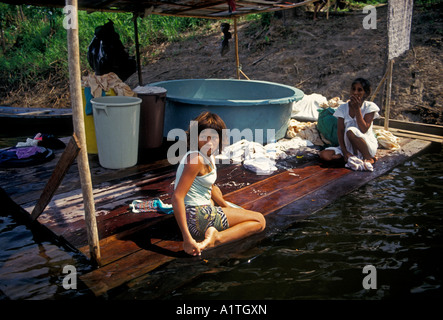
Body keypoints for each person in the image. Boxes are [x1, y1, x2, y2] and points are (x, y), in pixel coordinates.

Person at [172, 111, 266, 256]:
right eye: (204, 137)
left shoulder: (207, 155)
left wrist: (225, 205)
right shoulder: (196, 159)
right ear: (195, 137)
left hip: (197, 212)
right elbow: (177, 196)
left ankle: (212, 228)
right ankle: (217, 238)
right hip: (196, 217)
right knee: (260, 221)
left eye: (214, 137)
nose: (209, 142)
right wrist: (187, 238)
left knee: (221, 202)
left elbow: (210, 186)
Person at [319, 78, 380, 166]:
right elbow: (340, 132)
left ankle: (368, 157)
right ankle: (350, 157)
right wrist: (345, 151)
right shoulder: (343, 108)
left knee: (351, 131)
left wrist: (357, 109)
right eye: (353, 89)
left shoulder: (370, 107)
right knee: (324, 155)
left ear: (365, 93)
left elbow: (363, 129)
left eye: (359, 90)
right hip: (348, 146)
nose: (355, 93)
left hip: (365, 145)